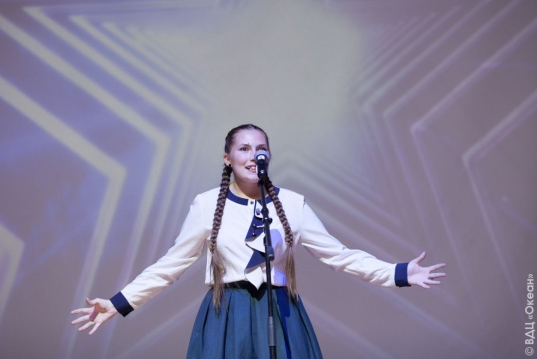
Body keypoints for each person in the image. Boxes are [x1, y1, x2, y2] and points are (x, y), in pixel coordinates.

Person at [71, 124, 446, 358]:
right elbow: (170, 266)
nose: (253, 156)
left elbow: (340, 256)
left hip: (281, 314)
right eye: (244, 149)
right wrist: (118, 303)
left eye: (260, 148)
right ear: (228, 158)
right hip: (228, 316)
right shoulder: (206, 205)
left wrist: (399, 273)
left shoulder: (293, 204)